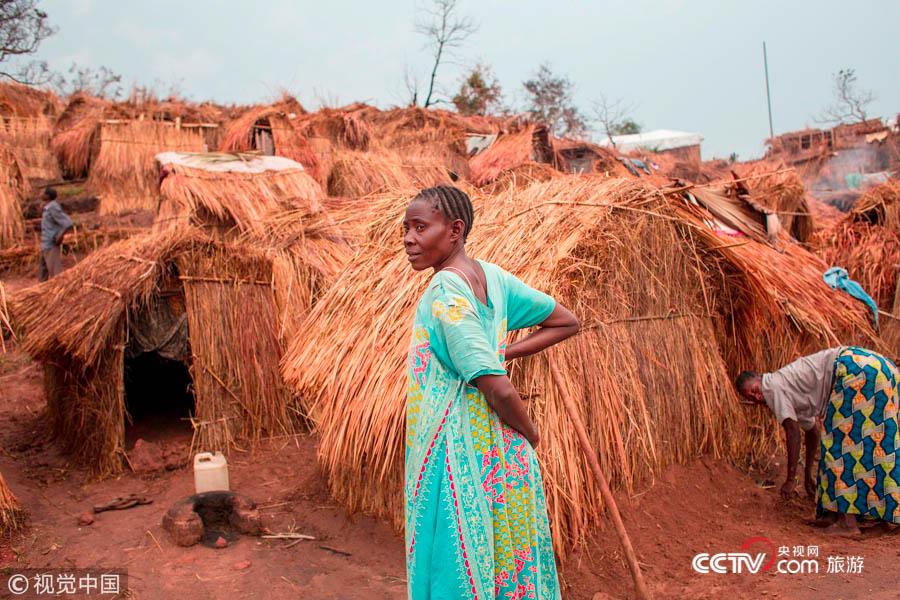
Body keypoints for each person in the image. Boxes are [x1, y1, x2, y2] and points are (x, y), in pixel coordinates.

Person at [403, 186, 579, 599]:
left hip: (460, 458)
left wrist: (531, 431)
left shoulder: (447, 292)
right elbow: (565, 321)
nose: (409, 239)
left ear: (455, 230)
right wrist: (502, 350)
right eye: (406, 229)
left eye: (420, 227)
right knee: (505, 565)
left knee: (458, 568)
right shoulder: (492, 278)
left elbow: (496, 387)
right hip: (505, 458)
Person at [736, 346, 900, 535]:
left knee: (842, 443)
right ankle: (840, 514)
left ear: (759, 377)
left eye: (755, 390)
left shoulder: (771, 386)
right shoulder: (790, 388)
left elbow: (793, 432)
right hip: (882, 369)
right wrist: (807, 476)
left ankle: (847, 522)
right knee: (876, 443)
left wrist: (790, 480)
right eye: (752, 397)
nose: (758, 396)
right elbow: (812, 432)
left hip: (855, 370)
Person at [38, 187, 73, 282]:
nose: (40, 193)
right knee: (42, 273)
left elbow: (68, 223)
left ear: (47, 196)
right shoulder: (47, 207)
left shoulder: (53, 207)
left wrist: (60, 236)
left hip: (50, 244)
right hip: (45, 244)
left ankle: (61, 292)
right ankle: (42, 293)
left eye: (42, 192)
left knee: (56, 274)